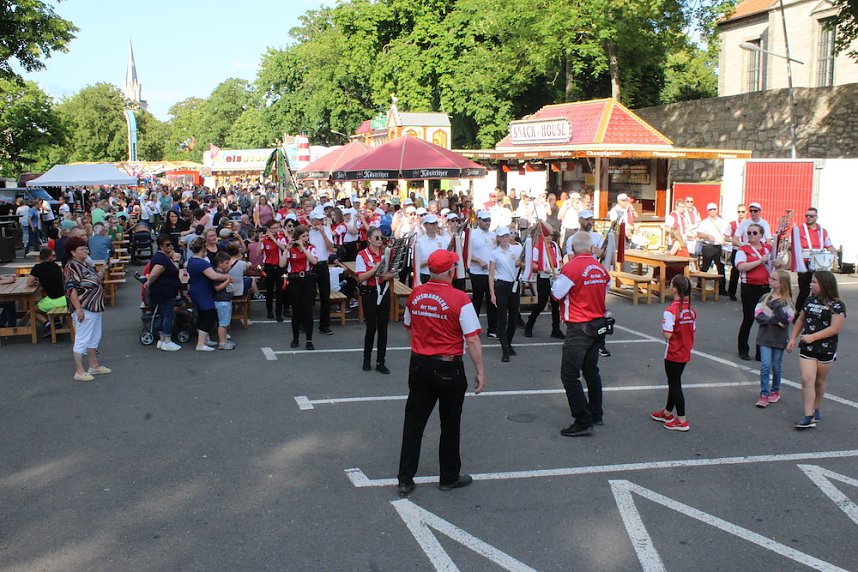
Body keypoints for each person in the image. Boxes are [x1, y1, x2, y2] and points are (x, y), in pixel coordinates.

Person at [396, 250, 486, 497]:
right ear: (450, 272)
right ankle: (448, 476)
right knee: (450, 423)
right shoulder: (460, 298)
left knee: (414, 423)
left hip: (420, 363)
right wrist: (480, 370)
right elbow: (472, 338)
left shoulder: (416, 294)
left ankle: (405, 478)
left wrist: (421, 345)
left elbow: (409, 326)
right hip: (448, 366)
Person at [551, 231, 610, 436]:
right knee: (591, 371)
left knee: (569, 375)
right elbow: (606, 287)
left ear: (573, 249)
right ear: (591, 248)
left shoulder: (571, 267)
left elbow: (556, 294)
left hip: (579, 325)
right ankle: (596, 413)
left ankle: (583, 421)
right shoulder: (599, 267)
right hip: (597, 323)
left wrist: (556, 281)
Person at [787, 271, 846, 429]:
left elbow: (834, 328)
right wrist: (793, 338)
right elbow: (801, 319)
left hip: (826, 349)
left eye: (814, 282)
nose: (810, 284)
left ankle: (815, 407)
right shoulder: (810, 300)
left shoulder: (837, 305)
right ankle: (808, 415)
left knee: (819, 381)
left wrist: (813, 337)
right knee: (807, 379)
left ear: (824, 285)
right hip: (807, 347)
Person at [650, 275, 696, 432]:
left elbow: (668, 334)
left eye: (671, 285)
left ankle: (682, 419)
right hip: (685, 350)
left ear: (675, 289)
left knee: (675, 384)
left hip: (674, 352)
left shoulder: (671, 311)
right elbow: (693, 329)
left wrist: (665, 328)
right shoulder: (690, 309)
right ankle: (667, 412)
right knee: (673, 381)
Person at [63, 237, 110, 382]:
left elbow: (93, 280)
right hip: (85, 307)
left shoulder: (86, 265)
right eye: (82, 249)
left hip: (94, 307)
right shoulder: (72, 266)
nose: (86, 251)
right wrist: (78, 309)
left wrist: (102, 271)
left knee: (94, 336)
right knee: (82, 339)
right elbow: (71, 289)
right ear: (73, 252)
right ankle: (79, 371)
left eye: (86, 248)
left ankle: (93, 365)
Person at [355, 227, 396, 373]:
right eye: (376, 237)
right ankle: (367, 358)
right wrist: (375, 269)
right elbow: (360, 277)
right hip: (369, 292)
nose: (380, 240)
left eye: (381, 237)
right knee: (371, 327)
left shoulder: (387, 254)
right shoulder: (362, 255)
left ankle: (381, 361)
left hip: (383, 291)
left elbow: (393, 272)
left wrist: (387, 275)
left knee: (383, 328)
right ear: (369, 239)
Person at [754, 269, 795, 408]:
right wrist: (773, 321)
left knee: (776, 366)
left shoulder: (787, 301)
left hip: (779, 339)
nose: (770, 280)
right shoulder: (765, 298)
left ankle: (775, 390)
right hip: (765, 337)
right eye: (770, 277)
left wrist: (777, 308)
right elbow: (758, 316)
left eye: (774, 279)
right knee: (765, 365)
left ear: (782, 283)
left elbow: (786, 319)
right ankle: (764, 394)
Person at [735, 223, 771, 361]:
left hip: (765, 287)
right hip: (749, 287)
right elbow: (741, 267)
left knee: (764, 320)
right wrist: (760, 261)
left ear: (761, 235)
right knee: (748, 318)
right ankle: (743, 349)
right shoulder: (743, 249)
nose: (751, 235)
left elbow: (775, 264)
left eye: (754, 233)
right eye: (749, 233)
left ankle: (760, 351)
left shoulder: (767, 248)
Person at [790, 207, 837, 313]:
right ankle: (798, 313)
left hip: (819, 264)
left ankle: (818, 312)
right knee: (804, 290)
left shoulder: (822, 231)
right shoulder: (799, 229)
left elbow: (829, 245)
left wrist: (835, 254)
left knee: (821, 289)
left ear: (816, 217)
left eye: (811, 216)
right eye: (807, 216)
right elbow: (790, 244)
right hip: (804, 263)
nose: (808, 218)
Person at [187, 237, 230, 352]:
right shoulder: (201, 263)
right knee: (209, 315)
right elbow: (214, 276)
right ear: (203, 248)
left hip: (197, 290)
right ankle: (200, 343)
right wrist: (226, 277)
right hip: (202, 292)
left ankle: (205, 340)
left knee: (202, 315)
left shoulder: (191, 260)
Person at [281, 224, 318, 350]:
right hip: (294, 280)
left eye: (307, 236)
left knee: (308, 311)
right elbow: (282, 264)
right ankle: (295, 338)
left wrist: (303, 248)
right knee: (296, 311)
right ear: (297, 237)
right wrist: (287, 249)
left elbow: (314, 261)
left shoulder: (311, 248)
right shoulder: (291, 249)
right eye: (303, 236)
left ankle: (309, 340)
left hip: (307, 279)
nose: (306, 238)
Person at [488, 226, 523, 362]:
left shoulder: (517, 249)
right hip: (501, 287)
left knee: (513, 319)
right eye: (501, 237)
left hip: (514, 286)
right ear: (498, 238)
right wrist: (492, 293)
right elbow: (491, 275)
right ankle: (505, 349)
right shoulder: (494, 253)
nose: (504, 239)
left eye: (506, 236)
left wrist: (521, 264)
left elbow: (524, 264)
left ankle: (508, 343)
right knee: (502, 319)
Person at [523, 223, 563, 340]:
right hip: (544, 277)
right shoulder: (537, 248)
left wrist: (561, 268)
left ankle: (556, 329)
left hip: (555, 277)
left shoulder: (555, 247)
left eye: (550, 235)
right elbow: (533, 265)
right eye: (547, 236)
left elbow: (560, 261)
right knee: (541, 303)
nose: (549, 238)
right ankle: (529, 324)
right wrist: (543, 268)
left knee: (556, 304)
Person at [143, 235, 182, 351]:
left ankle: (162, 339)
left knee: (163, 313)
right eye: (167, 245)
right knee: (168, 314)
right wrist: (148, 283)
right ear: (161, 246)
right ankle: (167, 340)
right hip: (165, 291)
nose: (170, 247)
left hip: (163, 290)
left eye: (171, 244)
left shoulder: (162, 257)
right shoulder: (161, 259)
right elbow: (154, 274)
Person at [467, 210, 497, 339]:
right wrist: (479, 261)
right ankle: (473, 328)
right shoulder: (472, 235)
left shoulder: (493, 235)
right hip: (477, 272)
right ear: (478, 220)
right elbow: (466, 254)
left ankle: (492, 329)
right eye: (484, 220)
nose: (487, 223)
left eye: (488, 220)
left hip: (491, 273)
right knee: (477, 300)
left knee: (492, 300)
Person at [26, 248, 67, 337]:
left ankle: (49, 325)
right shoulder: (56, 266)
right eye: (53, 255)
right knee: (45, 300)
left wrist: (38, 281)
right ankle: (56, 322)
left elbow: (29, 283)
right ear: (49, 257)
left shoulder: (37, 268)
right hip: (65, 298)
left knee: (33, 310)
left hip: (54, 300)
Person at [308, 208, 335, 336]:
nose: (320, 222)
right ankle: (305, 323)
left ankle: (324, 325)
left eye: (320, 219)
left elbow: (331, 248)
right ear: (312, 220)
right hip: (311, 266)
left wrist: (323, 234)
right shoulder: (308, 232)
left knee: (325, 296)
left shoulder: (327, 230)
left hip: (323, 264)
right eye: (317, 220)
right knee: (309, 296)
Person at [695, 203, 728, 295]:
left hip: (718, 246)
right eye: (710, 209)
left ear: (717, 210)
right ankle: (700, 285)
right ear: (707, 211)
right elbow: (698, 234)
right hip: (708, 246)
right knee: (705, 266)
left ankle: (722, 289)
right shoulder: (704, 222)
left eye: (714, 209)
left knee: (721, 267)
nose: (712, 211)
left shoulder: (722, 221)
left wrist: (725, 240)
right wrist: (707, 236)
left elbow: (726, 233)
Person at [261, 220, 288, 321]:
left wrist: (274, 239)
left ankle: (278, 313)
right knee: (269, 290)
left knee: (280, 291)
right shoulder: (264, 239)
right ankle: (269, 311)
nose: (275, 230)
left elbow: (284, 248)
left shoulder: (281, 238)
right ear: (268, 229)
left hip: (279, 266)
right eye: (273, 228)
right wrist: (261, 241)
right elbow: (259, 253)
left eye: (277, 228)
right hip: (269, 266)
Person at [212, 251, 237, 350]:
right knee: (223, 323)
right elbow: (217, 288)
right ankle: (222, 342)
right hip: (222, 301)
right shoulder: (217, 274)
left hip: (226, 300)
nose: (228, 265)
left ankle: (225, 340)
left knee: (225, 322)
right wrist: (227, 281)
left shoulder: (223, 273)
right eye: (226, 263)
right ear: (219, 263)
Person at [414, 214, 446, 285]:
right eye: (431, 224)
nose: (435, 226)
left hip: (441, 276)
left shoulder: (443, 240)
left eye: (436, 223)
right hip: (425, 276)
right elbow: (415, 264)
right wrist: (432, 260)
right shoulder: (419, 242)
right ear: (425, 225)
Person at [726, 204, 747, 301]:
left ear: (746, 212)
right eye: (739, 212)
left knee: (746, 273)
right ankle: (732, 293)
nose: (741, 214)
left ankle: (745, 294)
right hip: (737, 249)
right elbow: (726, 237)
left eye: (743, 211)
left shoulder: (749, 223)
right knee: (735, 272)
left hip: (747, 250)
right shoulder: (733, 223)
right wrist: (734, 241)